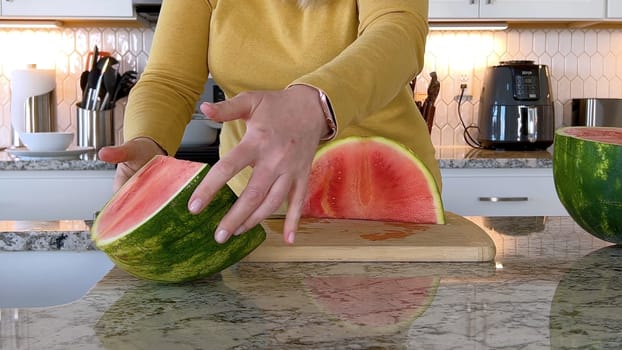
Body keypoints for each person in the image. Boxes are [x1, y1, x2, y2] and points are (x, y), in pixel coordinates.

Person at [98, 0, 441, 246]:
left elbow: (398, 30)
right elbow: (168, 81)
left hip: (381, 198)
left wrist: (315, 104)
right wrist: (148, 140)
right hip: (258, 206)